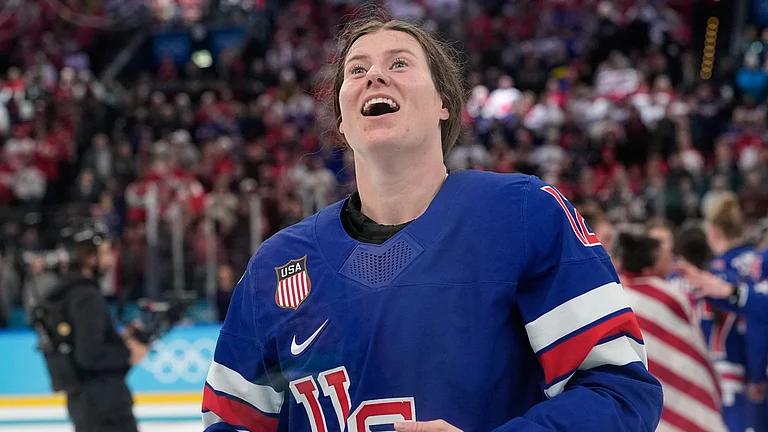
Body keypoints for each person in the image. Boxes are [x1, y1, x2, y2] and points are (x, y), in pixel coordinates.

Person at [201, 12, 663, 432]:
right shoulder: (277, 264)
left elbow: (620, 394)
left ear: (445, 104)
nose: (374, 75)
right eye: (357, 70)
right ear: (341, 120)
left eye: (399, 64)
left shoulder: (524, 213)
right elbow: (230, 424)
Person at [31, 222, 149, 432]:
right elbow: (89, 355)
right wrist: (127, 352)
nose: (111, 260)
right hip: (105, 405)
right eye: (104, 253)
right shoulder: (86, 296)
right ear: (87, 256)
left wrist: (120, 341)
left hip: (86, 402)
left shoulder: (68, 292)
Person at [675, 193, 768, 432]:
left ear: (713, 231)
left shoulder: (713, 273)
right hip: (748, 374)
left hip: (721, 375)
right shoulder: (758, 262)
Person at [617, 232, 726, 432]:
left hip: (645, 392)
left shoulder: (619, 297)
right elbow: (693, 345)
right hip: (676, 385)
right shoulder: (670, 295)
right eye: (667, 258)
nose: (672, 262)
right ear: (650, 266)